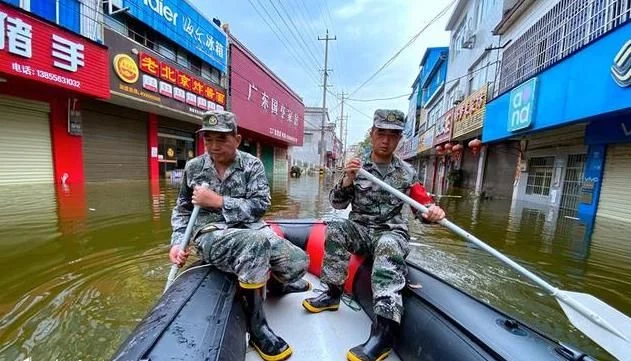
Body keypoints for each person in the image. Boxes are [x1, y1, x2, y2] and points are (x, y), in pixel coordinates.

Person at [302, 109, 446, 361]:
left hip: (389, 232)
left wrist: (432, 212)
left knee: (389, 245)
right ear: (372, 134)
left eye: (393, 135)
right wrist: (347, 178)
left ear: (400, 139)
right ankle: (332, 293)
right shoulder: (356, 166)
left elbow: (422, 208)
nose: (386, 140)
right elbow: (336, 204)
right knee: (335, 227)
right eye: (381, 133)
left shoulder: (407, 173)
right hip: (359, 230)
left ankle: (383, 334)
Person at [169, 110, 309, 361]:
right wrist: (178, 242)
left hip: (252, 227)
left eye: (221, 139)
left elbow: (260, 205)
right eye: (208, 139)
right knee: (253, 245)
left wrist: (218, 201)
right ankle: (258, 327)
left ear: (237, 138)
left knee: (299, 263)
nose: (213, 146)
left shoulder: (251, 165)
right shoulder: (194, 168)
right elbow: (181, 211)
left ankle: (276, 285)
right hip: (211, 232)